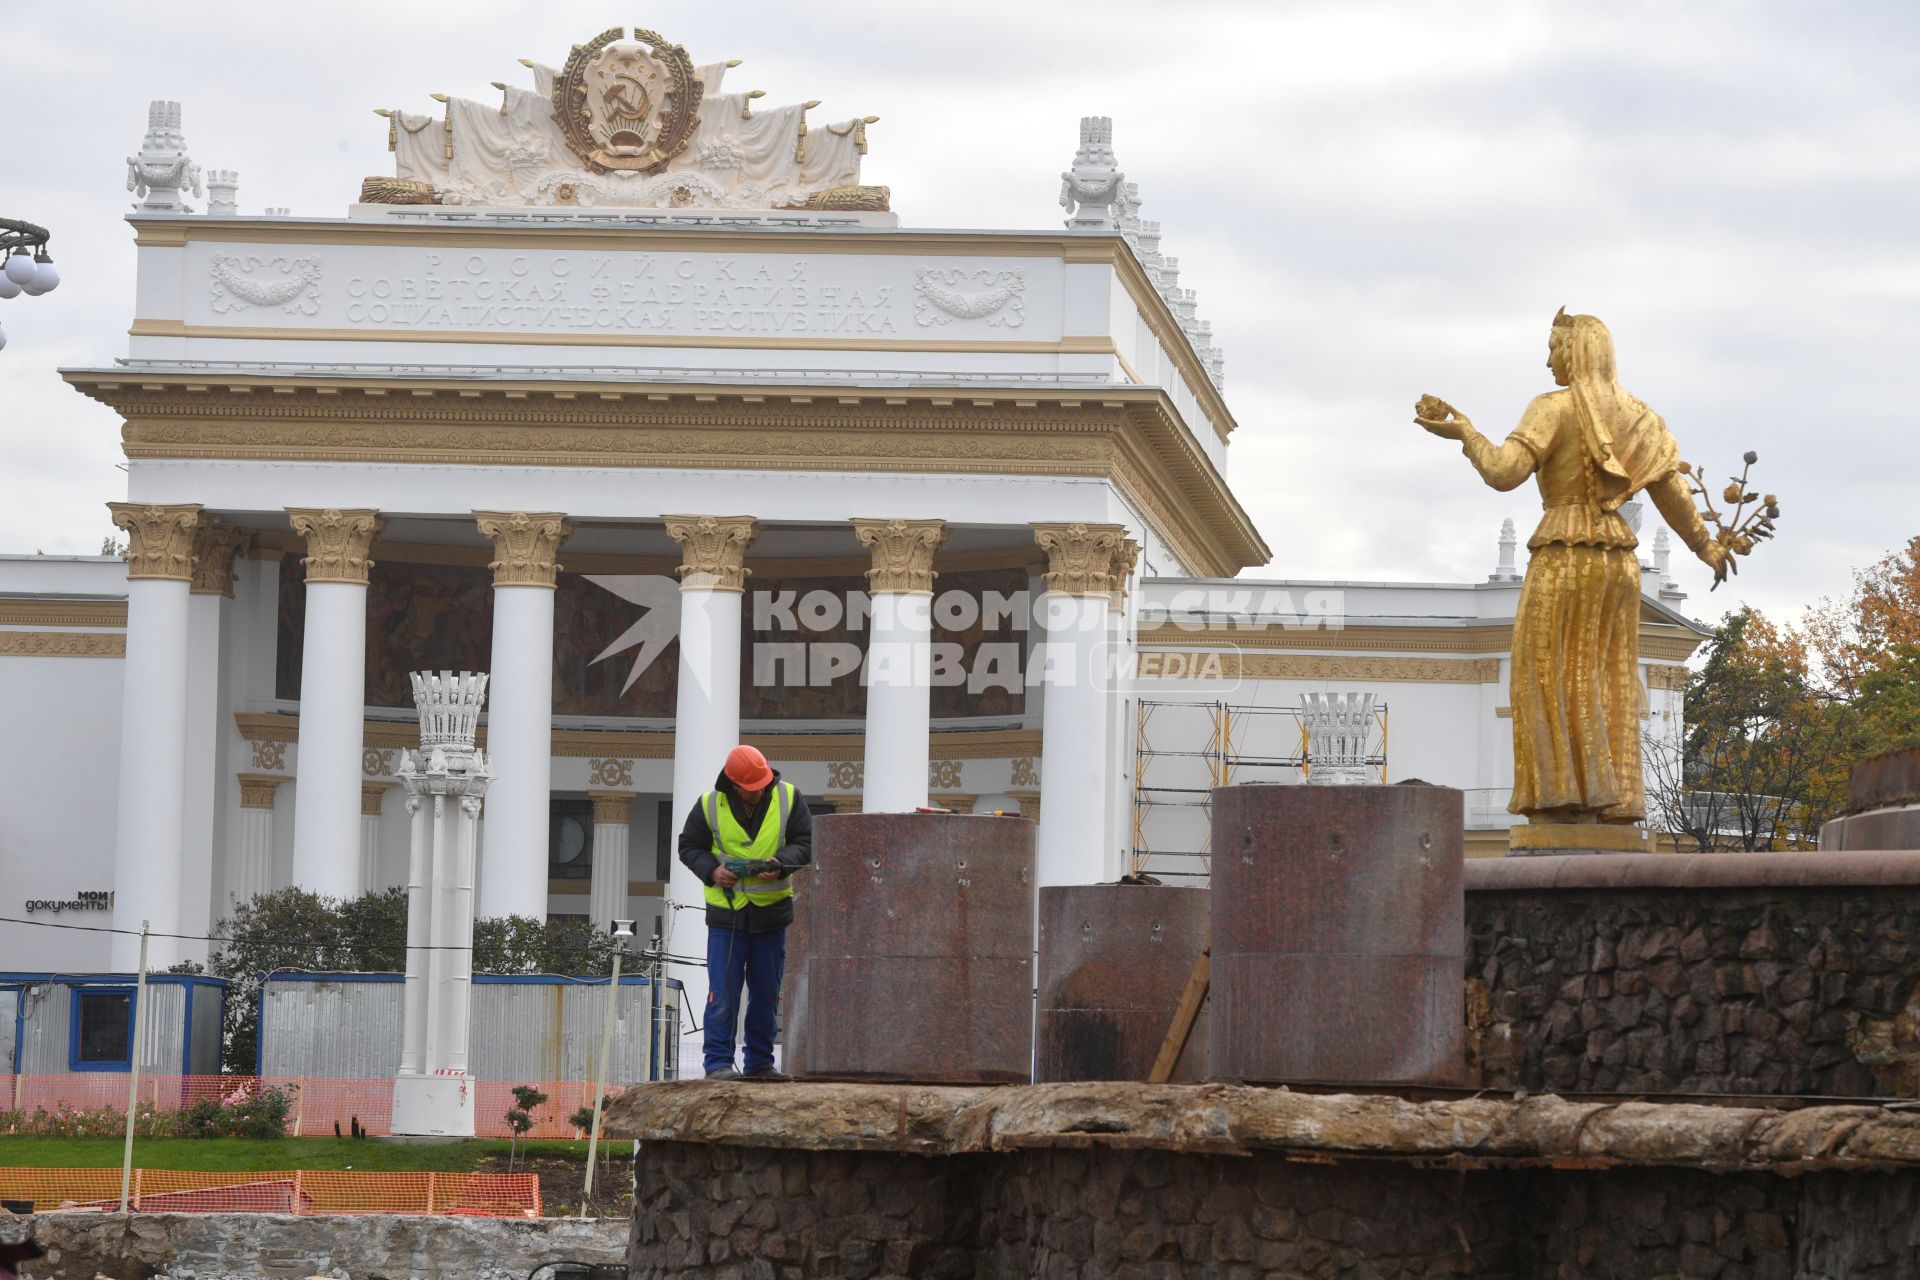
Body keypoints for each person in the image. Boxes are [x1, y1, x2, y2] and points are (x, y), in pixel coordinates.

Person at [1415, 309, 1727, 826]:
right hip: (1617, 562)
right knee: (1609, 675)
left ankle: (1561, 797)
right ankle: (1616, 800)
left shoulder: (1550, 408)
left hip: (1563, 555)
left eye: (1554, 347)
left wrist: (1464, 432)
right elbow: (1671, 489)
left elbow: (1502, 472)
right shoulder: (1640, 417)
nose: (1548, 358)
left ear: (1575, 351)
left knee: (1546, 673)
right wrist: (1705, 547)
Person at [677, 743, 813, 1080]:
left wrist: (780, 864)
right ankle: (718, 1064)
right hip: (727, 917)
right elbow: (688, 846)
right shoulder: (709, 805)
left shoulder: (789, 798)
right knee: (722, 992)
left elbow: (807, 843)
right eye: (751, 789)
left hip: (771, 916)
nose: (758, 792)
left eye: (762, 786)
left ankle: (759, 1064)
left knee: (767, 994)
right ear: (732, 783)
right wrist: (712, 871)